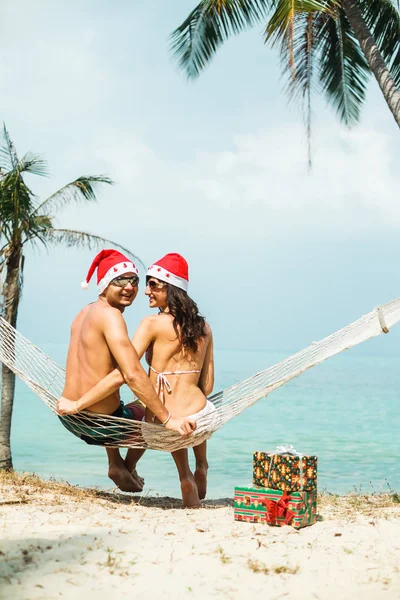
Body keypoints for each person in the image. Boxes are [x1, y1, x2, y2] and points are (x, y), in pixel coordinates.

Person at [63, 253, 215, 508]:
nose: (143, 291)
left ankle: (181, 475)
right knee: (184, 414)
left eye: (152, 284)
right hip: (200, 415)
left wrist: (77, 404)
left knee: (155, 414)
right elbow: (207, 386)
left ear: (172, 288)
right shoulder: (205, 328)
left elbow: (128, 372)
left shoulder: (149, 323)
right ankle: (201, 465)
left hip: (157, 421)